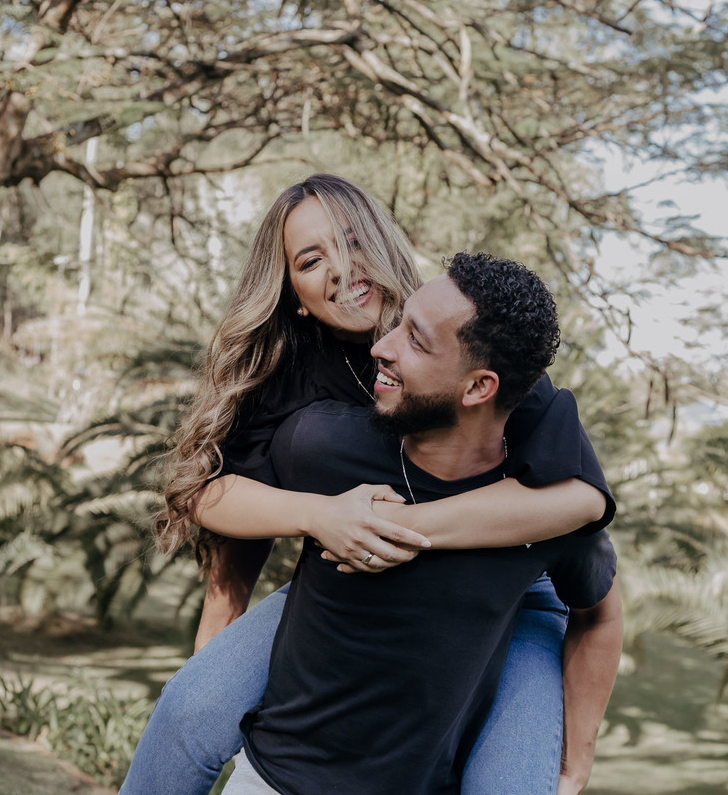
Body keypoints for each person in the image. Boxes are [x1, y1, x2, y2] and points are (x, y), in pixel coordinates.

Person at [121, 175, 614, 794]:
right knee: (188, 710)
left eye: (351, 241)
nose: (339, 268)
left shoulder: (469, 343)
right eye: (310, 259)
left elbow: (585, 500)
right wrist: (320, 515)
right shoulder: (285, 378)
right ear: (293, 291)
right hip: (351, 560)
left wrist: (401, 528)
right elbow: (210, 495)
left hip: (513, 591)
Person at [222, 251, 622, 794]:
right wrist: (315, 513)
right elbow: (206, 491)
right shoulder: (323, 445)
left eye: (416, 340)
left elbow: (599, 615)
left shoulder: (545, 514)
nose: (380, 348)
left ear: (479, 388)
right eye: (399, 324)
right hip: (271, 782)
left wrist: (575, 766)